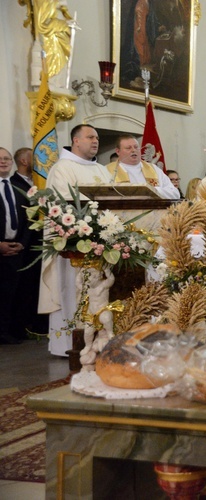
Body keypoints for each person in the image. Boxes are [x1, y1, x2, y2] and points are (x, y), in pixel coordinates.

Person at [41, 124, 112, 356]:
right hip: (73, 245)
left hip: (100, 242)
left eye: (97, 138)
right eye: (90, 136)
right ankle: (71, 346)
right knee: (72, 291)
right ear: (76, 141)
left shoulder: (101, 169)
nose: (95, 141)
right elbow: (62, 206)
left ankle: (99, 341)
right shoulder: (62, 168)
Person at [13, 147, 48, 338]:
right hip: (26, 243)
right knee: (25, 287)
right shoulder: (13, 184)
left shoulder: (39, 182)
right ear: (24, 161)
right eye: (34, 158)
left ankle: (39, 323)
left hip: (42, 241)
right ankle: (23, 324)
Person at [0, 147, 30, 344]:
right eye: (0, 159)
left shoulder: (16, 188)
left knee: (12, 293)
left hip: (16, 249)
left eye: (7, 158)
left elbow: (28, 219)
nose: (3, 162)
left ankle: (9, 330)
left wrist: (22, 243)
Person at [106, 135, 180, 199]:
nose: (133, 150)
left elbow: (175, 193)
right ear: (118, 151)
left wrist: (151, 190)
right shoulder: (108, 170)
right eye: (128, 148)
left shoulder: (153, 169)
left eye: (136, 147)